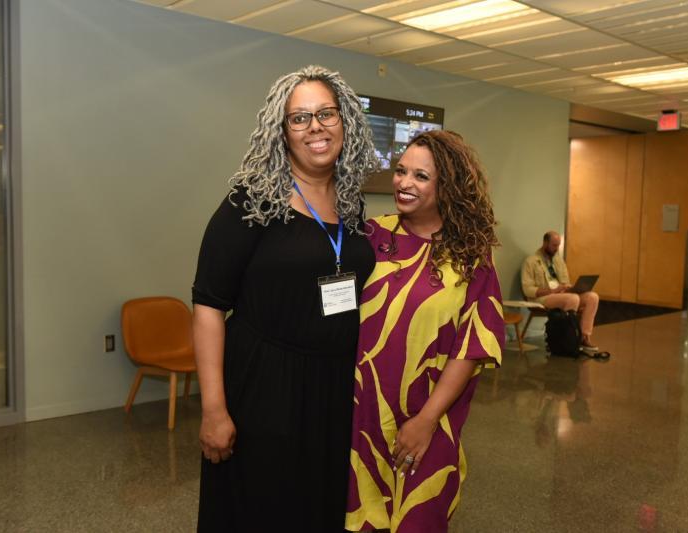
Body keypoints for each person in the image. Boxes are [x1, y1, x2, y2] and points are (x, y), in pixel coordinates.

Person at [191, 65, 379, 532]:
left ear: (346, 122)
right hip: (264, 388)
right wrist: (214, 410)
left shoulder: (352, 202)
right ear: (282, 131)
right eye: (299, 118)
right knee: (264, 509)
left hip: (335, 386)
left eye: (326, 113)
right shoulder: (250, 202)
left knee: (322, 505)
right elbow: (209, 305)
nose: (315, 126)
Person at [345, 130, 505, 532]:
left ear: (446, 186)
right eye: (401, 172)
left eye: (420, 176)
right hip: (360, 416)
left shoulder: (471, 255)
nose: (404, 183)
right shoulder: (371, 235)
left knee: (420, 517)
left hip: (429, 418)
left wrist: (426, 420)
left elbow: (472, 347)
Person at [521, 231, 599, 351]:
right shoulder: (530, 261)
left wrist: (570, 288)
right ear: (545, 243)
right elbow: (527, 289)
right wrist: (552, 291)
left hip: (562, 295)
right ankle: (568, 339)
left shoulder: (558, 261)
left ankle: (584, 337)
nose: (556, 249)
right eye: (554, 245)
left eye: (558, 245)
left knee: (592, 297)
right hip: (543, 298)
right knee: (572, 298)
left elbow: (565, 281)